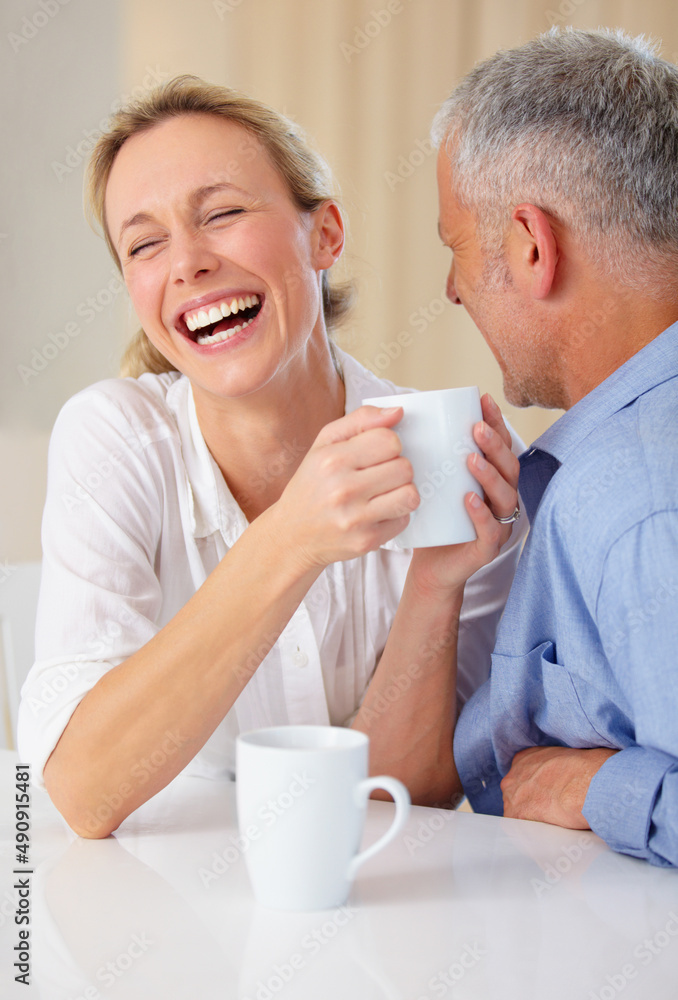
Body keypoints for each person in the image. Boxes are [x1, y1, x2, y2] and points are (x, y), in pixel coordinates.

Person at [18, 76, 526, 838]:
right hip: (158, 890)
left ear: (324, 234)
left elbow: (396, 806)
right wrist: (292, 538)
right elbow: (83, 792)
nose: (186, 262)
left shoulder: (444, 455)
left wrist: (435, 583)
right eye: (146, 243)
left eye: (221, 214)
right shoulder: (112, 438)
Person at [433, 27, 678, 866]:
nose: (453, 287)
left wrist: (595, 790)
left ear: (531, 246)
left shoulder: (641, 499)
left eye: (456, 247)